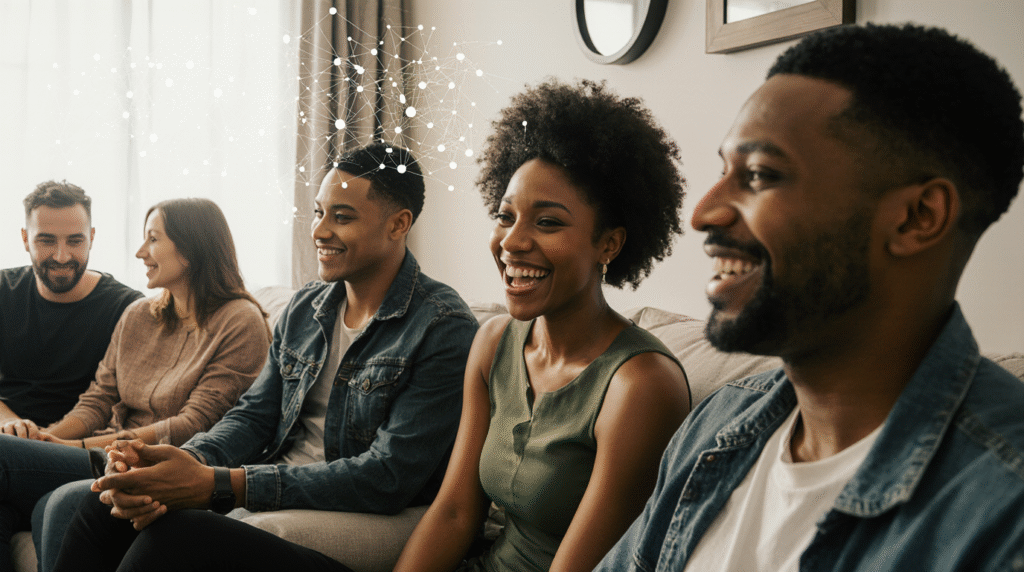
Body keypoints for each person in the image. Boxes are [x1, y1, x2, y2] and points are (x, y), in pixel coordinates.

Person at [595, 23, 1024, 572]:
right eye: (724, 170)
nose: (703, 213)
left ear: (918, 218)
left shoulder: (1004, 513)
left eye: (759, 174)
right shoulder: (720, 424)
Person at [51, 142, 478, 572]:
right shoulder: (308, 307)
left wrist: (221, 485)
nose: (319, 231)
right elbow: (253, 416)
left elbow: (387, 476)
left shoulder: (442, 326)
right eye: (318, 212)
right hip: (277, 489)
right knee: (95, 507)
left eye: (342, 217)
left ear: (398, 224)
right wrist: (184, 463)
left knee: (176, 534)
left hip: (374, 511)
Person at [393, 79, 692, 572]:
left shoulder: (640, 386)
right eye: (505, 216)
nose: (512, 242)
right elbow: (452, 513)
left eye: (548, 223)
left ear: (609, 245)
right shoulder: (493, 341)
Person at [0, 197, 271, 572]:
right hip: (106, 455)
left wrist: (73, 445)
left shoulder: (239, 322)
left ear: (191, 249)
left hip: (155, 463)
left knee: (5, 455)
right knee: (27, 502)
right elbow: (98, 399)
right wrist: (49, 438)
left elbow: (192, 426)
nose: (141, 252)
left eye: (153, 239)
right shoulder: (140, 314)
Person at [1, 181, 142, 431]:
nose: (61, 256)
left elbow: (114, 405)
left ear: (92, 238)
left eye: (75, 241)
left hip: (76, 443)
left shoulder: (127, 308)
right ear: (25, 239)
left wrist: (43, 442)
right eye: (47, 241)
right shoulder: (3, 289)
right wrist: (9, 422)